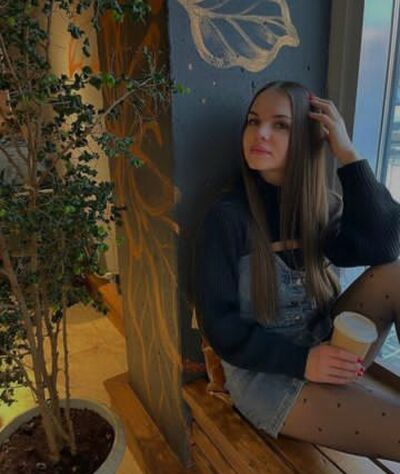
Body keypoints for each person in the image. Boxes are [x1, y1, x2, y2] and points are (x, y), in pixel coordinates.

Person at [195, 81, 400, 460]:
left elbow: (383, 247)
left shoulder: (321, 208)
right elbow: (220, 327)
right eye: (253, 121)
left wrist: (348, 154)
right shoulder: (227, 218)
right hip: (267, 376)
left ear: (308, 139)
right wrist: (304, 362)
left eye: (281, 125)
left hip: (323, 344)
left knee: (396, 275)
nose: (260, 133)